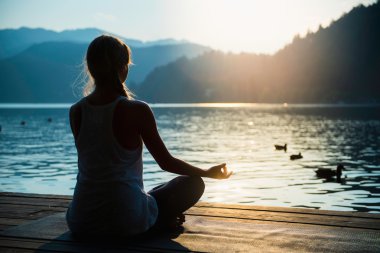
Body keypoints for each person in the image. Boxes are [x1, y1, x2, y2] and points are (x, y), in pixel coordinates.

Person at [66, 35, 232, 238]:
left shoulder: (77, 111)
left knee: (150, 192)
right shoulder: (137, 109)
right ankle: (160, 220)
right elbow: (166, 163)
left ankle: (156, 216)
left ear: (91, 69)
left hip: (81, 220)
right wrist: (207, 172)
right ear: (123, 68)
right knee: (192, 183)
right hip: (125, 221)